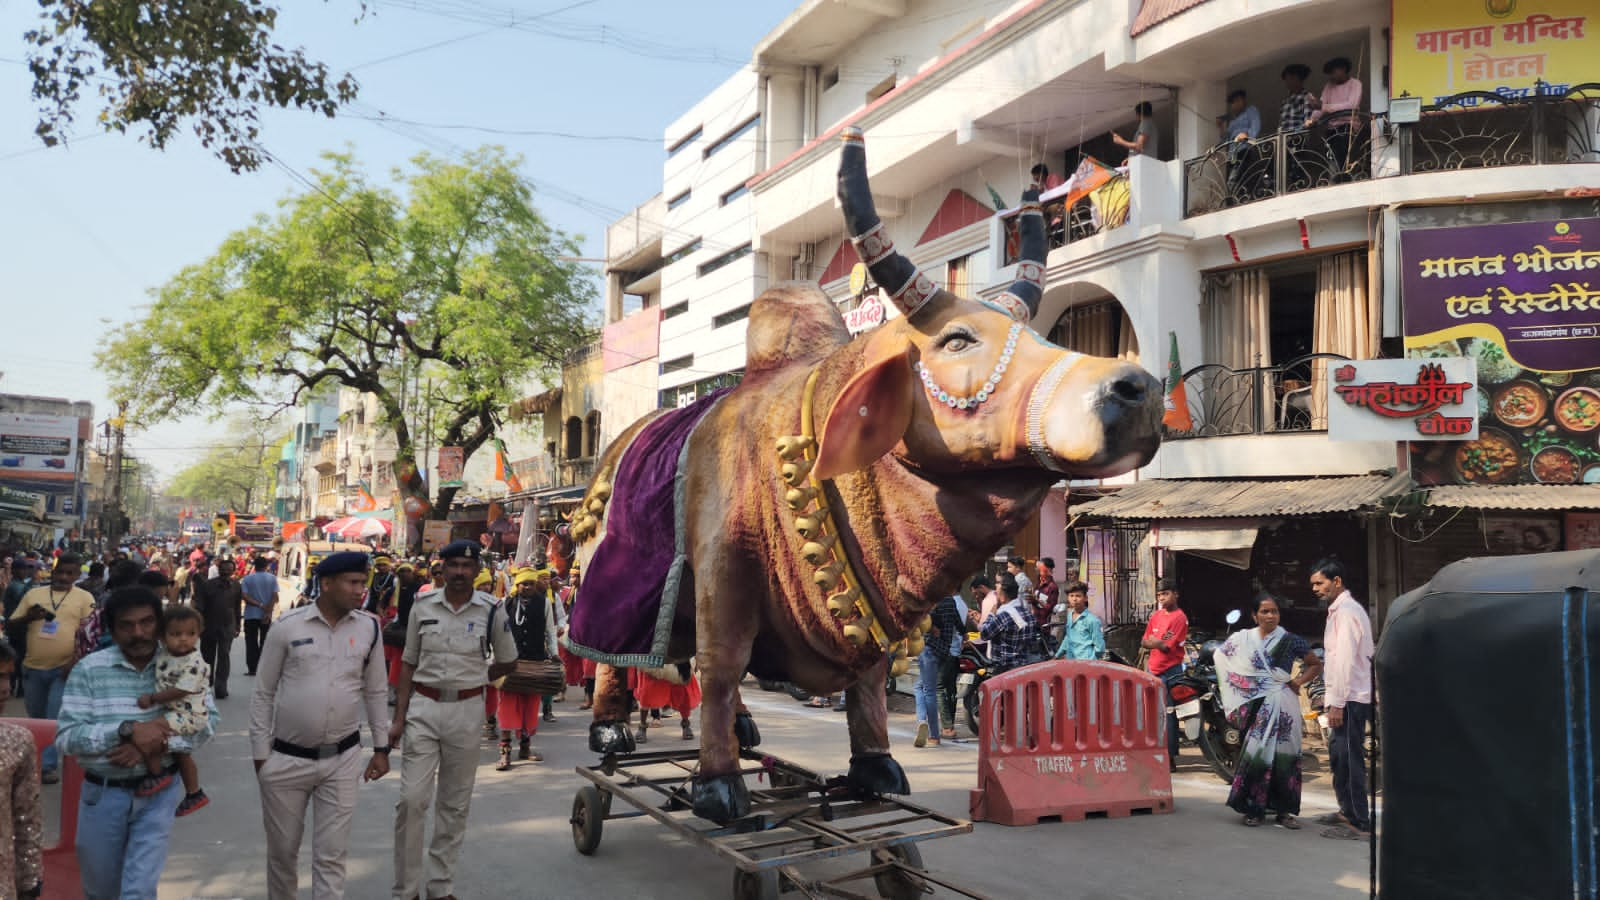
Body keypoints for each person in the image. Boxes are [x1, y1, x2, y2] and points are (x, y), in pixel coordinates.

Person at [56, 586, 218, 899]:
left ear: (159, 624)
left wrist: (153, 743)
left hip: (159, 795)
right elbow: (66, 739)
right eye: (126, 626)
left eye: (146, 623)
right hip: (102, 795)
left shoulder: (185, 665)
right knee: (101, 890)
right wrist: (125, 730)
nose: (138, 633)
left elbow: (207, 724)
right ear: (112, 631)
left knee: (139, 890)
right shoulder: (89, 669)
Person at [251, 551, 391, 900]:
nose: (361, 589)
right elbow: (263, 694)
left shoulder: (369, 626)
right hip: (285, 759)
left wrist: (381, 747)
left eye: (363, 582)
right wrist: (261, 756)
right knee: (283, 853)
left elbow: (375, 690)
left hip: (342, 758)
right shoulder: (288, 627)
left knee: (332, 855)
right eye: (352, 582)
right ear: (326, 584)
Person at [389, 540, 517, 900]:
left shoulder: (492, 610)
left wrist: (480, 674)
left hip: (467, 710)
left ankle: (440, 887)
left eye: (467, 565)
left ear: (477, 571)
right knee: (411, 801)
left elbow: (509, 660)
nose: (460, 572)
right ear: (441, 569)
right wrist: (398, 718)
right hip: (423, 709)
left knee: (454, 803)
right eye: (453, 565)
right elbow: (408, 664)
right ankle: (405, 891)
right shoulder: (422, 606)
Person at [1214, 593, 1322, 828]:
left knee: (1287, 756)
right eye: (1265, 611)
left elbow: (1315, 664)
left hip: (1284, 703)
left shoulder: (1290, 640)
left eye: (1274, 611)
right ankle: (1254, 810)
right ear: (1255, 615)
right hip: (1254, 706)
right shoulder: (1243, 639)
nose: (1270, 615)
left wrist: (1297, 682)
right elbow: (1220, 656)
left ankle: (1284, 812)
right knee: (1256, 757)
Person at [8, 553, 95, 783]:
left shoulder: (84, 598)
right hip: (32, 667)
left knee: (52, 717)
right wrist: (29, 617)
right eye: (60, 572)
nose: (64, 577)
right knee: (36, 717)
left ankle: (45, 767)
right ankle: (36, 760)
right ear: (53, 572)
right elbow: (11, 624)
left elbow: (89, 635)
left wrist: (74, 662)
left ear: (77, 575)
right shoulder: (33, 593)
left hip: (63, 669)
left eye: (70, 573)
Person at [1312, 558, 1374, 841]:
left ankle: (1359, 821)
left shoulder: (1347, 612)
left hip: (1349, 699)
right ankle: (1346, 811)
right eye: (1313, 584)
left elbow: (1346, 660)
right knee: (1339, 758)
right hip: (1343, 697)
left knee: (1349, 759)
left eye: (1320, 583)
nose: (1315, 588)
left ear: (1337, 581)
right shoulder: (1338, 611)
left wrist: (1336, 703)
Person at [137, 605, 212, 816]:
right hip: (174, 713)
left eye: (191, 634)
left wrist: (152, 698)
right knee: (181, 754)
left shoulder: (195, 661)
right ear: (162, 636)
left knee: (147, 731)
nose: (183, 639)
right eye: (175, 634)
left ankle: (156, 774)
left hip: (188, 715)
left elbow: (180, 690)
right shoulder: (164, 654)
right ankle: (194, 792)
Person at [494, 567, 559, 769]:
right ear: (517, 585)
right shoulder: (506, 603)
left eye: (531, 583)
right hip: (510, 663)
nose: (528, 587)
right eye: (524, 584)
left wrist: (555, 653)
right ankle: (505, 753)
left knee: (530, 708)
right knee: (507, 707)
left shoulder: (545, 603)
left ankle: (525, 747)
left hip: (536, 662)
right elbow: (497, 632)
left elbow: (550, 630)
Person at [0, 641, 44, 900]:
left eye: (7, 676)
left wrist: (30, 878)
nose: (5, 688)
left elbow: (27, 816)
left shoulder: (17, 742)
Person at [1141, 578, 1189, 771]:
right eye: (1159, 594)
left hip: (1170, 672)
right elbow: (1144, 641)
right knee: (1151, 714)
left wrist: (1155, 641)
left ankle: (1169, 757)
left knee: (1168, 714)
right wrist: (1154, 642)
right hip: (1152, 669)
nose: (1162, 598)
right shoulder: (1156, 616)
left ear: (1175, 594)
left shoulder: (1179, 618)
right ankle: (1153, 753)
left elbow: (1165, 646)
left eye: (1165, 593)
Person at [194, 556, 242, 699]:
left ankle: (221, 688)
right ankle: (205, 686)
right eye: (224, 569)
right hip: (209, 626)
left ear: (233, 571)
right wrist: (199, 626)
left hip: (228, 626)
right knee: (207, 657)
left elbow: (237, 607)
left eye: (229, 570)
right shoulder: (207, 585)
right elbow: (199, 607)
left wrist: (238, 625)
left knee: (224, 657)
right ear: (218, 570)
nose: (226, 572)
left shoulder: (236, 585)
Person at [1308, 57, 1364, 177]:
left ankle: (1349, 179)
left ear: (1343, 69)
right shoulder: (1329, 86)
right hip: (1332, 130)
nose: (1331, 76)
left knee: (1348, 161)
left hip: (1349, 129)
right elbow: (1321, 106)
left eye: (1333, 72)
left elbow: (1352, 105)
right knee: (1333, 161)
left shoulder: (1355, 84)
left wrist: (1323, 106)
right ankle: (1336, 181)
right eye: (1330, 74)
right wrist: (1312, 119)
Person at [978, 574, 1042, 675]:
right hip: (1023, 666)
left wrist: (991, 614)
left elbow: (984, 634)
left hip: (1004, 668)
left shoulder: (1004, 615)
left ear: (1002, 593)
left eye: (997, 589)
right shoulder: (1027, 613)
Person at [241, 556, 279, 677]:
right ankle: (263, 669)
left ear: (254, 566)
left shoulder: (247, 579)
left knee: (251, 642)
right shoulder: (272, 578)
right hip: (265, 616)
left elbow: (245, 596)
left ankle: (253, 668)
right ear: (266, 566)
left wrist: (259, 605)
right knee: (265, 642)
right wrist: (267, 612)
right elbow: (275, 596)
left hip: (251, 615)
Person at [1052, 582, 1105, 661]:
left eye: (1078, 596)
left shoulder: (1092, 620)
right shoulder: (1070, 615)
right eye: (1071, 596)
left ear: (1085, 598)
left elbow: (1100, 648)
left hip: (1086, 663)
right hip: (1071, 661)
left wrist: (1091, 660)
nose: (1074, 599)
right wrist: (1057, 655)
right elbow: (1068, 638)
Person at [1032, 557, 1059, 631]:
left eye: (1039, 567)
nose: (1036, 569)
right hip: (1034, 621)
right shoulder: (1038, 583)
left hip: (1043, 625)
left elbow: (1050, 608)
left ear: (1049, 570)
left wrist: (1037, 600)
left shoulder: (1052, 587)